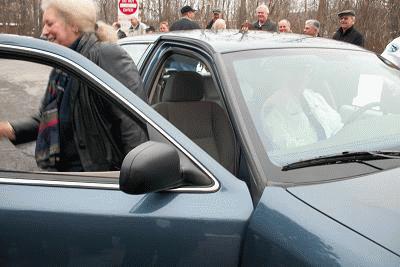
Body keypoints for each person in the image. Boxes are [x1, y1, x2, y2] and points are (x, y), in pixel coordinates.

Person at [0, 0, 147, 172]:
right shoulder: (64, 65)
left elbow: (132, 124)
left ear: (74, 25)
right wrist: (7, 129)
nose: (44, 32)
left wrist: (138, 175)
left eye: (49, 24)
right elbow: (46, 120)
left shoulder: (104, 56)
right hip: (68, 177)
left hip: (98, 180)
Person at [262, 65, 343, 150]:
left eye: (307, 71)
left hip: (335, 153)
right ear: (286, 74)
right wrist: (319, 149)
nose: (305, 76)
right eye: (299, 71)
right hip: (307, 159)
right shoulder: (273, 108)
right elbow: (286, 146)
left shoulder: (314, 97)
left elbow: (337, 124)